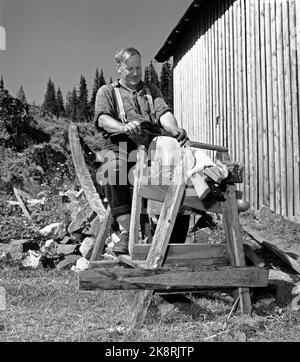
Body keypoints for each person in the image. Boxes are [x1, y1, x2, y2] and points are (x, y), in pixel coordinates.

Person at [94, 47, 189, 255]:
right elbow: (102, 119)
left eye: (139, 68)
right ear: (118, 67)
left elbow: (164, 113)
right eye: (130, 69)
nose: (136, 73)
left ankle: (169, 236)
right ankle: (131, 232)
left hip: (150, 143)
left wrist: (173, 129)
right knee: (112, 167)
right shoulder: (107, 91)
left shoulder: (151, 90)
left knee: (177, 172)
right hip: (120, 143)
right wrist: (122, 126)